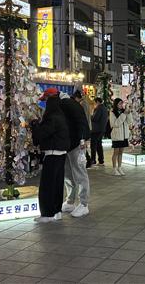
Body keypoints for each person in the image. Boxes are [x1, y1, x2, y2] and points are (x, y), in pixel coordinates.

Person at [31, 90, 70, 223]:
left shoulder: (52, 117)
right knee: (57, 184)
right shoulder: (60, 114)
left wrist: (35, 125)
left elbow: (42, 134)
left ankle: (47, 214)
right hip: (61, 154)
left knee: (47, 185)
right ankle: (56, 211)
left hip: (52, 154)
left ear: (49, 100)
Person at [56, 90, 91, 218]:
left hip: (76, 144)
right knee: (69, 174)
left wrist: (83, 140)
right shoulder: (65, 105)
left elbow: (82, 123)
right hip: (68, 144)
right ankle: (70, 201)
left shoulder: (69, 105)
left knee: (79, 173)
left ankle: (83, 204)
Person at [110, 98, 131, 176]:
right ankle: (114, 168)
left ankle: (119, 167)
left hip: (124, 135)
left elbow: (130, 122)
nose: (121, 105)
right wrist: (124, 114)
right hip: (117, 135)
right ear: (116, 104)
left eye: (122, 104)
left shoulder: (124, 112)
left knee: (121, 152)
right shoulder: (112, 113)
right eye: (119, 104)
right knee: (116, 152)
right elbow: (115, 124)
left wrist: (128, 113)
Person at [72, 90, 93, 168]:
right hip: (86, 127)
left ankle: (86, 161)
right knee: (84, 146)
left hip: (84, 127)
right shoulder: (86, 103)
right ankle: (87, 161)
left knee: (82, 146)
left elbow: (83, 118)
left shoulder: (82, 104)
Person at [90, 97, 109, 166]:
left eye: (95, 102)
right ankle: (101, 160)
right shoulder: (105, 108)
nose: (95, 104)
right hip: (102, 129)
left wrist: (91, 115)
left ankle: (93, 160)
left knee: (93, 145)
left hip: (96, 130)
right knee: (99, 145)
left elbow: (95, 118)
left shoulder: (99, 108)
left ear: (97, 101)